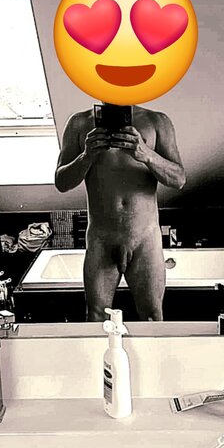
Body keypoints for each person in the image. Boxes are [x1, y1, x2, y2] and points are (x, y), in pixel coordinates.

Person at [55, 103, 185, 321]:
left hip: (145, 239)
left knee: (153, 316)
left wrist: (147, 155)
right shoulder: (79, 123)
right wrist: (87, 156)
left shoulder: (157, 121)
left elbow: (179, 179)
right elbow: (62, 182)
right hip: (101, 239)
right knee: (96, 317)